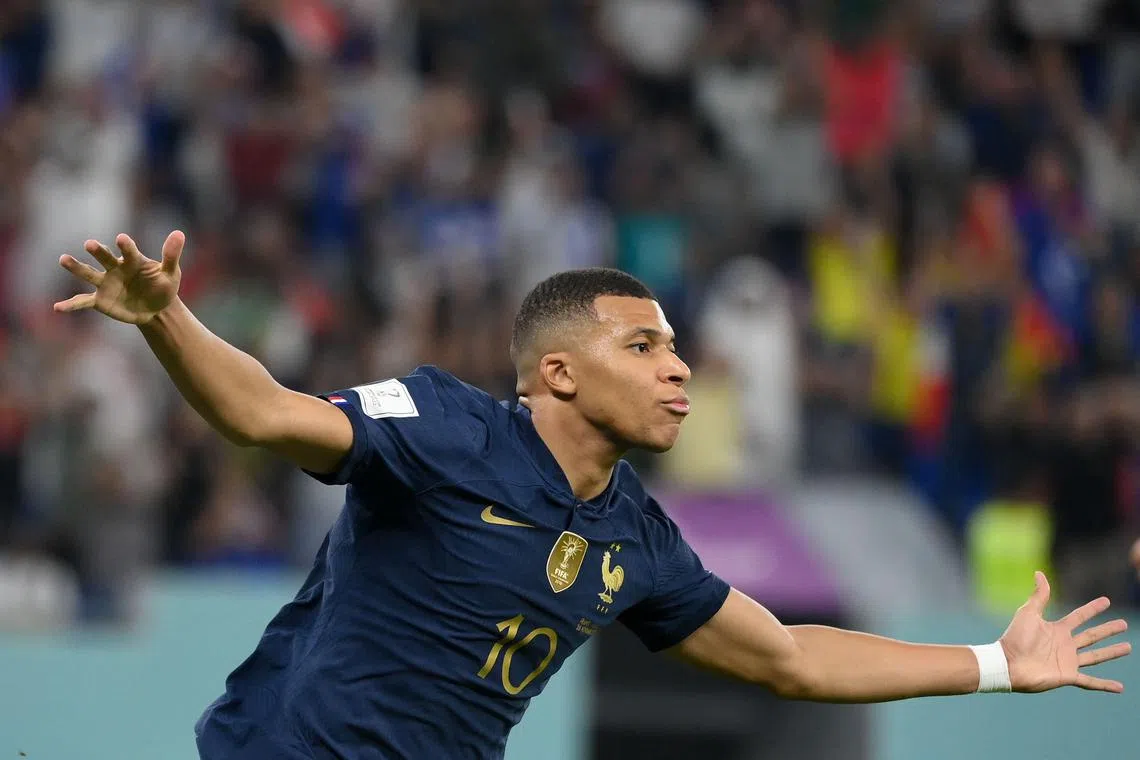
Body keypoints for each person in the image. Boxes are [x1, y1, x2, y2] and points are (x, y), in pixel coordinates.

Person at [56, 231, 1131, 760]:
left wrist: (995, 664)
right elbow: (262, 412)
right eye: (645, 344)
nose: (680, 367)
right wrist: (166, 319)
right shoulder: (442, 427)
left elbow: (793, 657)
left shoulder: (638, 539)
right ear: (559, 372)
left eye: (677, 347)